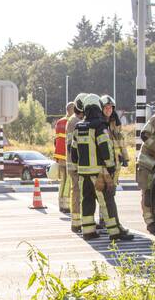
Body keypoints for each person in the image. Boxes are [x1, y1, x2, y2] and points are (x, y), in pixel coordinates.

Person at [71, 94, 132, 242]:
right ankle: (115, 231)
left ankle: (88, 231)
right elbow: (105, 148)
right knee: (108, 201)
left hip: (83, 173)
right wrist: (111, 167)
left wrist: (78, 167)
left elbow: (73, 153)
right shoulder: (99, 126)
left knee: (87, 201)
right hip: (99, 172)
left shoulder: (78, 127)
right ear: (98, 107)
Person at [65, 94, 85, 233]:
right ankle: (76, 222)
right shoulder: (74, 122)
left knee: (79, 192)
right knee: (77, 193)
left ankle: (78, 222)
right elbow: (72, 146)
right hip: (75, 165)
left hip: (74, 164)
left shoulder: (75, 120)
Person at [53, 102, 72, 213]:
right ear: (72, 110)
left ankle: (60, 204)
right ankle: (66, 205)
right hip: (67, 155)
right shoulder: (72, 121)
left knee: (62, 180)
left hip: (59, 156)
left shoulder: (59, 122)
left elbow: (56, 141)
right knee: (68, 180)